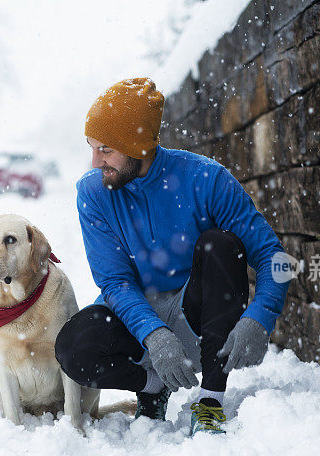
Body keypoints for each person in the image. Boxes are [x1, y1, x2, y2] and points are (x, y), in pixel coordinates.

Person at [55, 78, 290, 435]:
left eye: (106, 149)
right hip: (137, 324)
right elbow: (114, 281)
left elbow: (276, 258)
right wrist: (154, 335)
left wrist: (261, 317)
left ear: (139, 146)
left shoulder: (206, 179)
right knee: (74, 349)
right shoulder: (93, 192)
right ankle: (152, 388)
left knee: (221, 244)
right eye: (92, 147)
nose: (95, 161)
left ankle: (210, 400)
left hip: (198, 320)